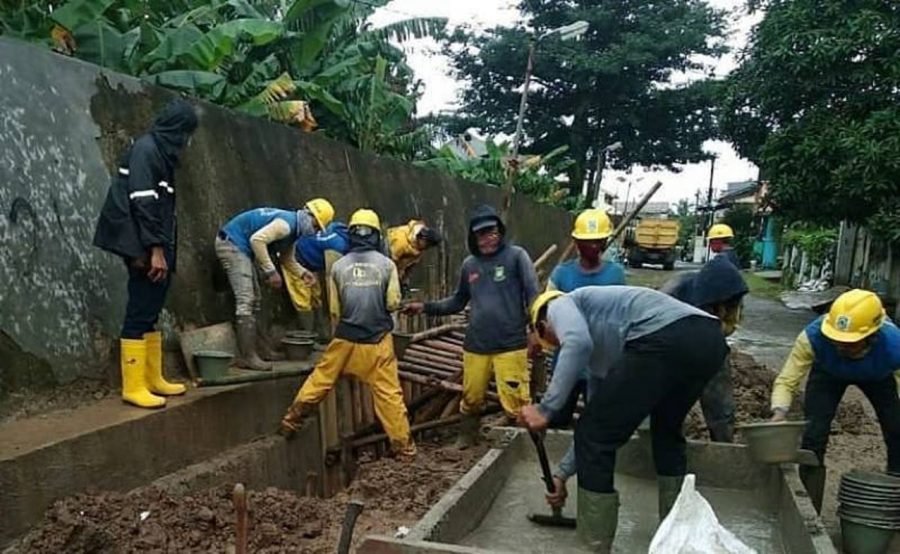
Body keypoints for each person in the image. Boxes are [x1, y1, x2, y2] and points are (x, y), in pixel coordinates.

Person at [521, 287, 728, 552]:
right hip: (708, 340)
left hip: (664, 336)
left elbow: (577, 342)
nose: (558, 344)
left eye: (551, 341)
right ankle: (678, 534)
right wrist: (562, 474)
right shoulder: (606, 357)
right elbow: (597, 421)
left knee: (595, 436)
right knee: (664, 432)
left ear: (541, 323)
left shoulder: (559, 304)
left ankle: (594, 546)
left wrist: (546, 409)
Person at [280, 209, 415, 458]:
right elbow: (393, 302)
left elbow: (334, 310)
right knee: (389, 399)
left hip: (344, 341)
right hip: (378, 343)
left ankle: (291, 422)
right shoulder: (387, 265)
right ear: (376, 235)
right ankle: (404, 450)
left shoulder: (339, 266)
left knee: (318, 382)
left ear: (351, 234)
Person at [404, 205, 540, 448]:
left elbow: (533, 297)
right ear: (473, 237)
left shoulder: (517, 257)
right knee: (471, 396)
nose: (487, 239)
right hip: (476, 345)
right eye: (481, 234)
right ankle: (467, 436)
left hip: (510, 344)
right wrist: (424, 307)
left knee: (516, 399)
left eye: (491, 232)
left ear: (500, 231)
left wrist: (535, 330)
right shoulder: (470, 265)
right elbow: (457, 301)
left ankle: (522, 445)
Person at [93, 99, 198, 409]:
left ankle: (152, 378)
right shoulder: (147, 151)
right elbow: (142, 203)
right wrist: (154, 250)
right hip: (139, 242)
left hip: (152, 241)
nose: (188, 142)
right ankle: (134, 385)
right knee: (141, 307)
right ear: (178, 130)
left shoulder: (162, 154)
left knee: (152, 305)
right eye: (187, 133)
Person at [770, 289, 900, 509]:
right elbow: (788, 378)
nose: (840, 346)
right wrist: (779, 411)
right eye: (836, 340)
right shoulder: (813, 337)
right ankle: (808, 508)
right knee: (813, 435)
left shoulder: (895, 347)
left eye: (850, 343)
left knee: (897, 431)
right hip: (828, 374)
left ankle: (893, 499)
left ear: (871, 336)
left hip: (879, 377)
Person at [544, 208, 626, 493]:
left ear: (605, 243)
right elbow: (548, 313)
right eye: (586, 242)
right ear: (576, 243)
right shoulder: (561, 274)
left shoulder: (615, 274)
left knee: (597, 422)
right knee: (557, 418)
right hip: (567, 362)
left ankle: (580, 475)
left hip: (601, 364)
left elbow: (620, 319)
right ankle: (555, 474)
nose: (592, 247)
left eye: (597, 241)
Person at [216, 200, 334, 370]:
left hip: (242, 248)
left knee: (255, 300)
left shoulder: (293, 232)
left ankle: (262, 351)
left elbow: (287, 259)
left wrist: (303, 273)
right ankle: (248, 357)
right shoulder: (286, 225)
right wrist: (271, 271)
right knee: (246, 300)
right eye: (316, 226)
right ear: (309, 216)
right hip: (231, 244)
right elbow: (257, 240)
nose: (315, 231)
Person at [658, 255, 748, 442]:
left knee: (719, 399)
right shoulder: (674, 293)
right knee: (667, 399)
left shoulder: (732, 292)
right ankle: (664, 439)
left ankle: (723, 444)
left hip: (710, 342)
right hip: (669, 347)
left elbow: (729, 327)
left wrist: (716, 328)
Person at [284, 221, 351, 334]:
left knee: (316, 295)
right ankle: (308, 337)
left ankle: (321, 332)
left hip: (311, 263)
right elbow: (331, 281)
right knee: (302, 299)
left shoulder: (338, 231)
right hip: (294, 260)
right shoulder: (337, 246)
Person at [386, 219, 443, 292]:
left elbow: (410, 266)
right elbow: (390, 263)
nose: (427, 248)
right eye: (427, 244)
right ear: (423, 238)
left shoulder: (418, 249)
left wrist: (404, 281)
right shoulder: (401, 241)